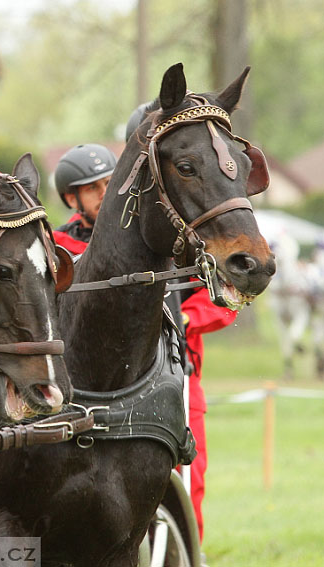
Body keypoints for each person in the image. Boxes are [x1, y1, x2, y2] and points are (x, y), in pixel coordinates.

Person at [125, 103, 237, 544]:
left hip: (180, 376)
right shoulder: (83, 241)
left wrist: (183, 316)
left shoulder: (192, 238)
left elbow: (226, 300)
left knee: (190, 487)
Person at [51, 143, 117, 255]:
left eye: (109, 183)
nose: (105, 193)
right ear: (72, 200)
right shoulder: (58, 254)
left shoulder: (144, 235)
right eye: (92, 187)